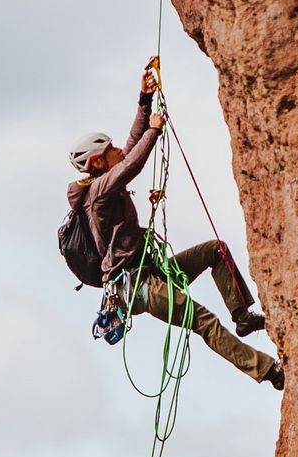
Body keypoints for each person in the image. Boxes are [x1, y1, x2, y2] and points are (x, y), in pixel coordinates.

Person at [67, 66, 284, 390]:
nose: (117, 150)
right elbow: (132, 162)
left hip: (150, 271)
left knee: (215, 250)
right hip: (137, 285)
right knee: (203, 321)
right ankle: (268, 372)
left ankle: (242, 317)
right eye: (110, 149)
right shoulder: (98, 192)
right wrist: (154, 130)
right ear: (97, 162)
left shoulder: (103, 182)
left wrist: (145, 100)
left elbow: (130, 148)